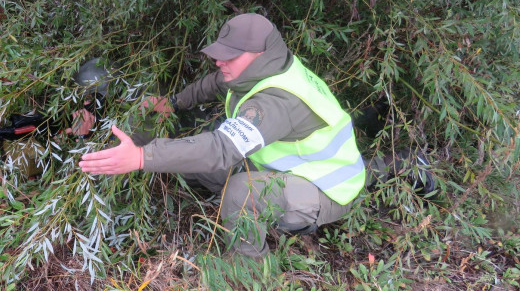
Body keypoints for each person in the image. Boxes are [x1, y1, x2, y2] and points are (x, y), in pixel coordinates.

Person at [78, 13, 366, 259]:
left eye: (229, 56)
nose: (219, 62)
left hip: (327, 189)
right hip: (287, 170)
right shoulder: (259, 70)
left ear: (259, 55)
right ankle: (238, 214)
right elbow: (214, 83)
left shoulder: (276, 101)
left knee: (241, 191)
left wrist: (143, 156)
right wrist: (174, 103)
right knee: (197, 167)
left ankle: (249, 275)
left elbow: (220, 148)